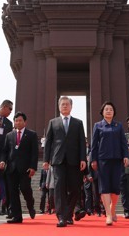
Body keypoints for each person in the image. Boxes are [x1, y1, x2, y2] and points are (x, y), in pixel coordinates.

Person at [43, 96, 86, 228]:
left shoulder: (78, 123)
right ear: (59, 107)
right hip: (58, 160)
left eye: (67, 104)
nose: (65, 106)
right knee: (59, 188)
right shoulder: (53, 122)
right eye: (63, 104)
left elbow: (81, 143)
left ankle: (68, 214)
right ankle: (62, 217)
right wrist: (46, 160)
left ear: (71, 107)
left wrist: (83, 158)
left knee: (74, 189)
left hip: (74, 160)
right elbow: (49, 142)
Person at [90, 102, 128, 225]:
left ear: (114, 112)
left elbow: (123, 143)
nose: (108, 111)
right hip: (103, 161)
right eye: (106, 109)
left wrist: (126, 156)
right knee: (105, 187)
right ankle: (108, 214)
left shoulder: (119, 126)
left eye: (111, 109)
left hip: (117, 160)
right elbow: (94, 145)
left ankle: (112, 209)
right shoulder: (98, 126)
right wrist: (93, 159)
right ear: (102, 112)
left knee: (116, 188)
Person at [0, 111, 38, 223]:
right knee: (13, 192)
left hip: (25, 168)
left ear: (25, 122)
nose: (18, 122)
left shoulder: (31, 135)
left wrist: (33, 167)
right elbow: (5, 151)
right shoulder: (9, 135)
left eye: (20, 120)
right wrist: (2, 160)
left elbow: (34, 153)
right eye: (16, 121)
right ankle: (17, 216)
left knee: (25, 189)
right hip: (11, 169)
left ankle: (30, 205)